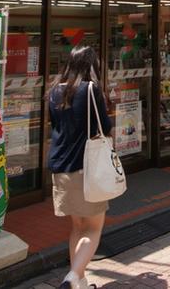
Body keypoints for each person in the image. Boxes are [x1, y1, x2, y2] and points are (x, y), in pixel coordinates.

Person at [48, 46, 113, 289]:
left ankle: (81, 281)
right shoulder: (90, 90)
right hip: (87, 169)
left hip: (61, 167)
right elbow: (104, 127)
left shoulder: (54, 91)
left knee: (77, 226)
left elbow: (55, 124)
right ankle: (72, 277)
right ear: (90, 66)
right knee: (94, 228)